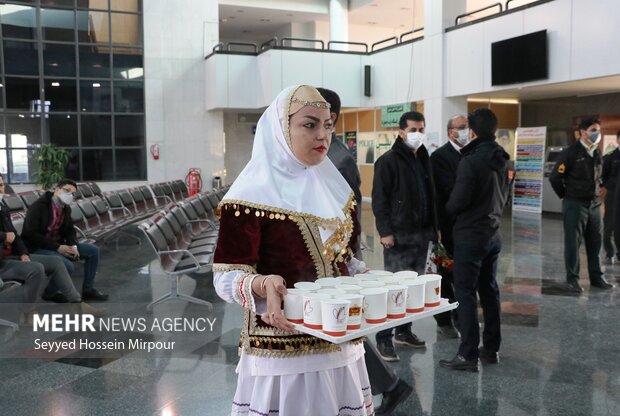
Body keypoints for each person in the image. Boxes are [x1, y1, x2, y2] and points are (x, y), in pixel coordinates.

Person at [213, 85, 373, 415]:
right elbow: (225, 278)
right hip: (284, 349)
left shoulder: (331, 186)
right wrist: (261, 284)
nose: (323, 135)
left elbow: (337, 256)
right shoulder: (248, 197)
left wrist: (359, 273)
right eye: (309, 124)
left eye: (328, 125)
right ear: (281, 128)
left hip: (339, 338)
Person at [318, 87, 412, 415]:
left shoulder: (338, 158)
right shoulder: (324, 153)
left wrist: (348, 256)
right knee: (336, 329)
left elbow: (348, 214)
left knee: (338, 328)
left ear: (329, 115)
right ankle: (387, 385)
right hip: (321, 254)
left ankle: (386, 386)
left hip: (332, 257)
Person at [439, 108, 510, 372]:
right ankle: (491, 349)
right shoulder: (502, 157)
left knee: (465, 292)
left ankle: (467, 355)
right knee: (489, 290)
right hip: (493, 233)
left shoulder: (470, 160)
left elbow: (458, 201)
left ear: (472, 131)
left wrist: (447, 210)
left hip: (470, 235)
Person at [371, 110, 436, 361]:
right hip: (397, 236)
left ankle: (404, 331)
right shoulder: (388, 161)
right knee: (394, 288)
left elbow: (431, 196)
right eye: (412, 130)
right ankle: (384, 338)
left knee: (412, 287)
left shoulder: (423, 159)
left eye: (421, 130)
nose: (417, 134)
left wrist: (434, 227)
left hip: (420, 235)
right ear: (401, 132)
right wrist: (385, 231)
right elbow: (379, 200)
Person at [549, 117, 614, 293]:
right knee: (573, 243)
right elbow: (555, 177)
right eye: (593, 130)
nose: (597, 134)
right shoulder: (570, 152)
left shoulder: (597, 152)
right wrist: (566, 195)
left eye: (598, 130)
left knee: (595, 242)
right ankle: (572, 280)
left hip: (594, 205)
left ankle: (597, 277)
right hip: (575, 204)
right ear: (583, 132)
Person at [0, 174, 87, 305]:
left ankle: (77, 302)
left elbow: (15, 236)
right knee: (37, 269)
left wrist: (23, 253)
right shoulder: (38, 207)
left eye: (2, 185)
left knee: (56, 262)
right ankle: (28, 314)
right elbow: (27, 234)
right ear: (57, 189)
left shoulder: (2, 208)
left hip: (12, 255)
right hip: (3, 262)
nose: (2, 189)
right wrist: (4, 237)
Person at [22, 179, 109, 301]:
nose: (70, 195)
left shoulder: (65, 208)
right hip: (38, 247)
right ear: (57, 189)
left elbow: (69, 230)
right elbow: (31, 234)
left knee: (92, 251)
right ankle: (49, 293)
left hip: (58, 245)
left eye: (72, 193)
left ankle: (88, 290)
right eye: (67, 191)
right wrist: (57, 248)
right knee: (67, 265)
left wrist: (73, 246)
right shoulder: (38, 207)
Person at [429, 115, 468, 339]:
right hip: (448, 226)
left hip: (468, 228)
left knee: (464, 276)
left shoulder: (471, 152)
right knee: (445, 273)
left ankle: (461, 316)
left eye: (466, 127)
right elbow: (442, 193)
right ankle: (444, 319)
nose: (464, 131)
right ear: (450, 132)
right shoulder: (440, 157)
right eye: (460, 128)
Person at [601, 129, 620, 264]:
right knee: (610, 224)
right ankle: (610, 252)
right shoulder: (610, 157)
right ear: (618, 140)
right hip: (613, 194)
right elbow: (603, 176)